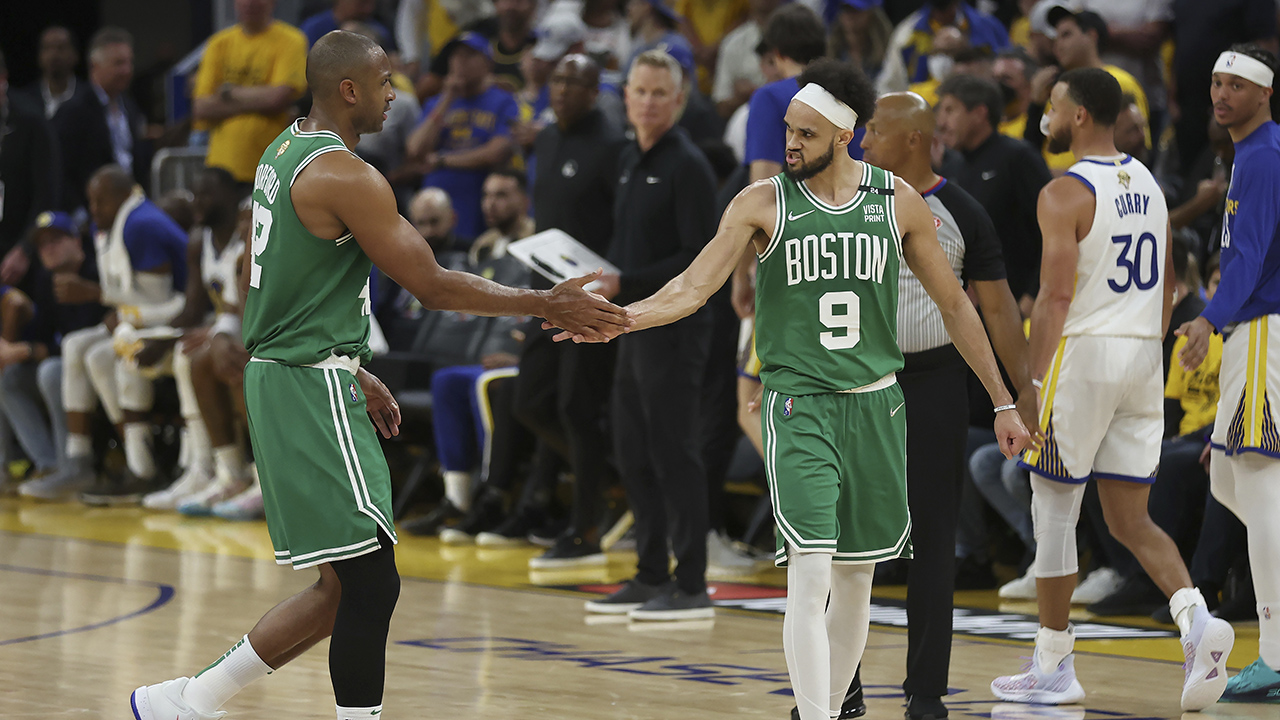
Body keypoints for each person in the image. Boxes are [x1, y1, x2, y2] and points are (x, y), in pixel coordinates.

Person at [127, 29, 626, 720]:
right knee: (370, 585)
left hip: (294, 372)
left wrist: (349, 366)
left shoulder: (281, 151)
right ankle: (200, 700)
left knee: (344, 587)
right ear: (349, 89)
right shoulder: (345, 175)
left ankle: (187, 700)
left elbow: (269, 279)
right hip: (306, 385)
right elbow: (429, 284)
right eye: (386, 81)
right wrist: (544, 300)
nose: (398, 93)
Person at [563, 57, 1027, 720]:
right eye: (788, 130)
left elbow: (956, 307)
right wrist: (624, 321)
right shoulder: (760, 202)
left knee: (855, 580)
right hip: (799, 403)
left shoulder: (896, 202)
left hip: (875, 403)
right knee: (810, 577)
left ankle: (833, 708)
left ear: (843, 136)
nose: (790, 144)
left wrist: (1004, 400)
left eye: (806, 134)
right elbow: (695, 288)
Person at [992, 67, 1234, 711]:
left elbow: (1055, 297)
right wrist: (1144, 357)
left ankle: (1053, 664)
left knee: (1055, 513)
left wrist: (1031, 383)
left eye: (1052, 105)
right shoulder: (1149, 184)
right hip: (1140, 358)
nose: (1045, 115)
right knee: (1130, 517)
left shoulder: (1064, 192)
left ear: (1077, 116)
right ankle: (1197, 623)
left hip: (1085, 355)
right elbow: (1168, 289)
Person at [859, 91, 1038, 720]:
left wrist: (1020, 395)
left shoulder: (960, 211)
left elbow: (997, 308)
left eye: (873, 132)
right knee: (848, 540)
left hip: (933, 383)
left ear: (912, 138)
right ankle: (841, 686)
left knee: (933, 538)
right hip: (856, 381)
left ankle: (926, 693)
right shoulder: (844, 202)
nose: (862, 144)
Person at [574, 49, 716, 620]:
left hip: (677, 328)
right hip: (631, 323)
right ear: (626, 95)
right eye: (641, 90)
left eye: (661, 92)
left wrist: (625, 280)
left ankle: (693, 584)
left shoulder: (688, 165)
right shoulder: (629, 158)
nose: (650, 101)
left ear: (679, 100)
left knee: (673, 451)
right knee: (632, 449)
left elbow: (698, 257)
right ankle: (650, 572)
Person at [1175, 43, 1280, 703]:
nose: (1221, 94)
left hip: (1264, 329)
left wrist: (1208, 320)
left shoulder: (1265, 157)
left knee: (1259, 490)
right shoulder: (1251, 154)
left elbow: (1246, 258)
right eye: (1215, 82)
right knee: (1227, 480)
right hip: (1254, 331)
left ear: (1265, 93)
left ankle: (1274, 655)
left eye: (1235, 84)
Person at [4, 213, 106, 499]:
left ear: (77, 241)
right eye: (42, 244)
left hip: (96, 360)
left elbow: (92, 335)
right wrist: (20, 340)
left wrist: (34, 350)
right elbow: (43, 334)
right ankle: (47, 464)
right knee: (10, 377)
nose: (48, 249)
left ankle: (74, 465)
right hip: (64, 359)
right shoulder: (45, 280)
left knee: (51, 370)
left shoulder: (95, 272)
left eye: (56, 240)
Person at [935, 74, 1050, 314]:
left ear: (979, 113)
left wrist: (1033, 295)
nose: (942, 123)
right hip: (971, 313)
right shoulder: (952, 168)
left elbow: (1052, 231)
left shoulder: (1018, 158)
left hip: (1019, 306)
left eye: (950, 110)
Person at [405, 32, 520, 241]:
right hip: (435, 203)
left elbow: (496, 152)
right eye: (455, 56)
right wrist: (448, 98)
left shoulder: (503, 101)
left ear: (487, 63)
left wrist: (442, 160)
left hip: (478, 200)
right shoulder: (437, 102)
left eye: (469, 56)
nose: (460, 62)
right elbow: (415, 149)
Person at [192, 0, 308, 186]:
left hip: (271, 169)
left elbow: (277, 99)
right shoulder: (218, 44)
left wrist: (228, 92)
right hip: (220, 167)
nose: (250, 3)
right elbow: (201, 107)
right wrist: (259, 97)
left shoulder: (292, 40)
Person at [53, 27, 148, 213]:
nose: (127, 70)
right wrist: (79, 214)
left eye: (130, 62)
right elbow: (62, 171)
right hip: (92, 214)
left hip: (129, 210)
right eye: (119, 63)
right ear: (95, 66)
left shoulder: (130, 108)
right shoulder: (73, 111)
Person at [0, 49, 60, 260]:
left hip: (19, 247)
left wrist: (25, 248)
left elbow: (47, 193)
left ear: (3, 78)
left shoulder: (31, 120)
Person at [877, 0, 1009, 95]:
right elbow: (890, 87)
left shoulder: (990, 28)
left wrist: (968, 54)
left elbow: (1009, 75)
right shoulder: (906, 35)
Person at [710, 0, 781, 119]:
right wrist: (739, 98)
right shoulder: (733, 43)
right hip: (744, 121)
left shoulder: (797, 39)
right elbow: (721, 105)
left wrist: (755, 92)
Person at [18, 26, 80, 120]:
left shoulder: (89, 98)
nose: (53, 55)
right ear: (39, 56)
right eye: (47, 48)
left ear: (75, 54)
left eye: (60, 48)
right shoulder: (25, 100)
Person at [301, 0, 393, 49]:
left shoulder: (379, 30)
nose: (368, 9)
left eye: (371, 3)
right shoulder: (314, 28)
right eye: (362, 3)